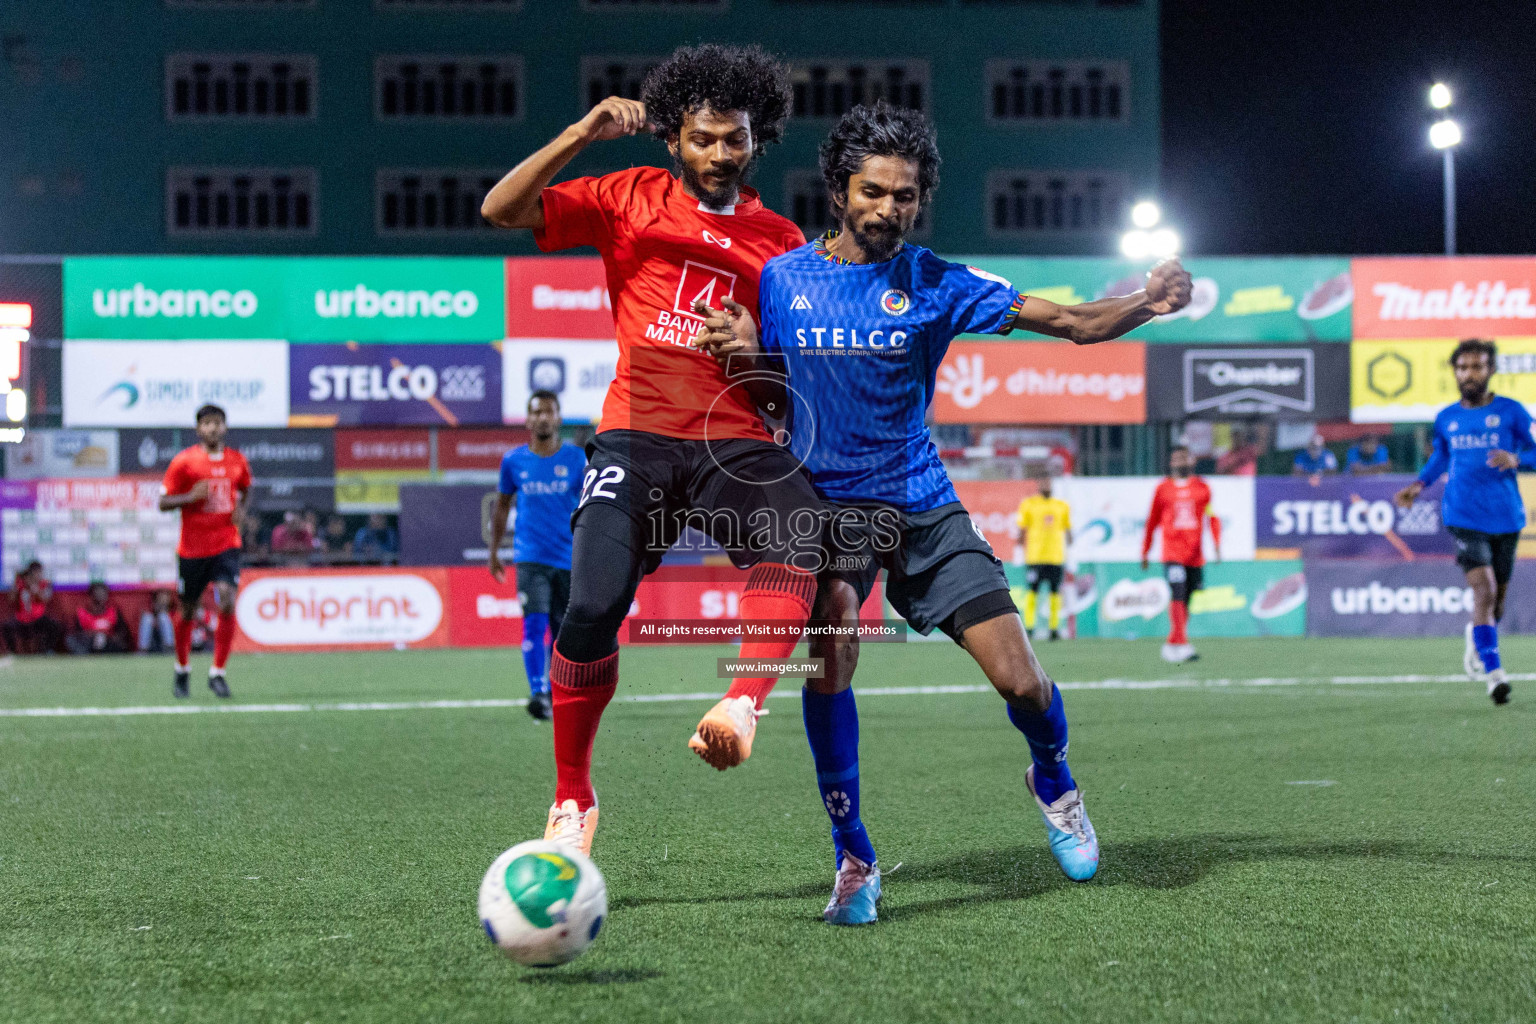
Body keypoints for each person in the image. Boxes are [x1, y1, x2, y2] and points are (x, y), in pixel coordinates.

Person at [694, 102, 1193, 924]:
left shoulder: (935, 280)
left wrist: (1148, 301)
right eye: (874, 190)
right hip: (827, 506)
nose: (890, 207)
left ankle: (1054, 778)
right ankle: (853, 856)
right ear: (839, 190)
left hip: (922, 502)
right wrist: (749, 350)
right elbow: (771, 386)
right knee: (835, 636)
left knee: (1022, 682)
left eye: (906, 194)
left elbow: (1071, 323)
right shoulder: (781, 278)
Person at [481, 44, 824, 855]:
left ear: (756, 139)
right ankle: (573, 801)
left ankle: (742, 703)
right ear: (672, 137)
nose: (718, 155)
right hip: (635, 437)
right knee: (591, 608)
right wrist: (580, 133)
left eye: (733, 139)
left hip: (731, 440)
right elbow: (502, 209)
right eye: (702, 139)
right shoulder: (626, 196)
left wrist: (758, 351)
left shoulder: (783, 242)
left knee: (803, 529)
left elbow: (793, 387)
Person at [1394, 339, 1536, 705]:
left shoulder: (1513, 412)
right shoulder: (1446, 418)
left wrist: (1517, 458)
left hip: (1506, 516)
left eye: (1476, 367)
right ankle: (1495, 676)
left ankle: (1477, 635)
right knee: (1484, 591)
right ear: (1454, 372)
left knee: (1496, 603)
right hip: (1462, 515)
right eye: (1462, 368)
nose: (1468, 374)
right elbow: (1441, 456)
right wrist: (1419, 484)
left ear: (1490, 370)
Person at [489, 390, 587, 721]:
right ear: (528, 419)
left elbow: (591, 507)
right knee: (533, 623)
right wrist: (494, 552)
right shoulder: (513, 461)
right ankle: (538, 692)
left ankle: (556, 691)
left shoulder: (577, 459)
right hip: (530, 557)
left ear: (558, 418)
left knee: (562, 631)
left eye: (549, 412)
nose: (543, 417)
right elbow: (502, 506)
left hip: (569, 558)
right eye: (536, 412)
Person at [158, 403, 251, 699]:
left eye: (218, 423)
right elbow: (163, 503)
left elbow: (246, 488)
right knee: (187, 611)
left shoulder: (237, 461)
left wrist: (241, 510)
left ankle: (217, 673)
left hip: (226, 544)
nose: (213, 428)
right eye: (207, 423)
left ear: (225, 427)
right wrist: (188, 497)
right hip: (192, 549)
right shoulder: (184, 462)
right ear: (199, 429)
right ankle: (182, 668)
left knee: (227, 600)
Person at [1141, 447, 1221, 665]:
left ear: (1192, 460)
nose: (1180, 461)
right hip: (1172, 553)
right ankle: (1183, 644)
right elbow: (1152, 522)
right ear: (1171, 462)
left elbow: (1212, 517)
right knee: (1177, 591)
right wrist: (1145, 551)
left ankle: (1172, 642)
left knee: (1187, 597)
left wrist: (1216, 543)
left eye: (1184, 457)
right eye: (1176, 458)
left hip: (1194, 555)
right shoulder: (1162, 489)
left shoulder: (1203, 488)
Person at [1013, 476, 1073, 640]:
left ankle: (1054, 629)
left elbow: (1068, 530)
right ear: (1039, 485)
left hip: (1055, 557)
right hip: (1035, 557)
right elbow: (1022, 529)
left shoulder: (1061, 506)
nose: (1047, 485)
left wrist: (1071, 547)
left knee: (1055, 593)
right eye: (1044, 482)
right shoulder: (1029, 504)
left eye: (1049, 483)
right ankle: (1030, 627)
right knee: (1033, 592)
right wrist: (1018, 549)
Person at [7, 560, 62, 654]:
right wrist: (16, 583)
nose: (40, 575)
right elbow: (11, 599)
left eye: (40, 572)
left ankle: (45, 651)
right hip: (22, 618)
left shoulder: (45, 584)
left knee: (54, 625)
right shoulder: (21, 584)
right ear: (31, 573)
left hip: (38, 618)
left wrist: (34, 588)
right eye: (37, 573)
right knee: (7, 626)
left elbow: (45, 598)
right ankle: (13, 652)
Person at [66, 582, 131, 654]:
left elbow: (122, 631)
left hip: (108, 642)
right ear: (91, 595)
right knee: (71, 640)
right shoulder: (82, 613)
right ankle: (86, 658)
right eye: (98, 593)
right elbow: (76, 632)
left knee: (120, 644)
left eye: (103, 593)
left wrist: (108, 637)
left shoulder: (113, 611)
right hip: (89, 642)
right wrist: (93, 635)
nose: (101, 595)